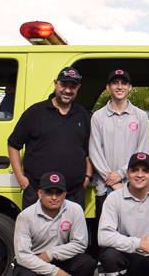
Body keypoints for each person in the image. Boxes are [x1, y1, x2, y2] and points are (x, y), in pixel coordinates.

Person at [89, 69, 149, 276]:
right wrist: (109, 177)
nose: (119, 87)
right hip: (106, 189)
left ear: (129, 88)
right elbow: (94, 150)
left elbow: (142, 151)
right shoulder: (98, 117)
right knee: (106, 242)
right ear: (108, 88)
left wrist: (123, 173)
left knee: (132, 237)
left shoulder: (140, 117)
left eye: (123, 83)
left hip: (132, 189)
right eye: (114, 83)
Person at [11, 171, 96, 276]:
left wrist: (51, 254)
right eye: (48, 192)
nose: (54, 197)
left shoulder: (75, 210)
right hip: (34, 262)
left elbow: (80, 244)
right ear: (39, 193)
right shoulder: (25, 216)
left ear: (65, 194)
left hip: (60, 259)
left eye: (58, 193)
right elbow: (23, 255)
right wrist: (54, 271)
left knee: (87, 262)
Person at [7, 67, 93, 210]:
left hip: (73, 192)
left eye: (72, 86)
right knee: (38, 232)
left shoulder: (82, 114)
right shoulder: (35, 111)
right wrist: (21, 179)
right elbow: (13, 144)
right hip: (38, 191)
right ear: (55, 83)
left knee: (71, 233)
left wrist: (88, 176)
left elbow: (88, 149)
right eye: (64, 85)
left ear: (78, 88)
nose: (67, 90)